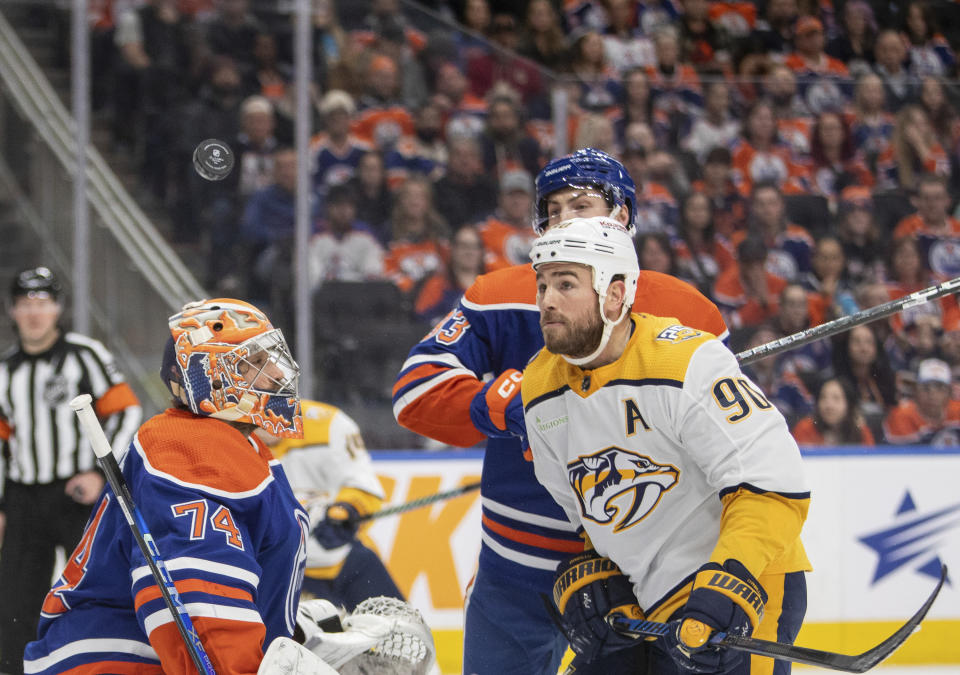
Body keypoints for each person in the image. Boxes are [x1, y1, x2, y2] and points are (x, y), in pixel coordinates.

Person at [393, 148, 727, 675]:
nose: (563, 219)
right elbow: (414, 394)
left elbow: (727, 449)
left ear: (622, 216)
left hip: (641, 571)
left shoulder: (689, 312)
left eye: (581, 204)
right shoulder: (502, 295)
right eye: (552, 210)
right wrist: (493, 405)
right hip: (517, 572)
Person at [522, 216, 810, 673]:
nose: (546, 301)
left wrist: (729, 581)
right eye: (541, 286)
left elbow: (773, 485)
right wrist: (596, 575)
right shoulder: (538, 387)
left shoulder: (686, 361)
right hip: (646, 598)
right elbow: (586, 518)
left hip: (745, 581)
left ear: (615, 294)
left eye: (565, 285)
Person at [22, 298, 311, 673]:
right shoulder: (193, 447)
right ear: (209, 376)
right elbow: (200, 599)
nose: (274, 372)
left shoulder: (237, 446)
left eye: (270, 357)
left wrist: (297, 632)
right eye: (254, 363)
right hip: (115, 662)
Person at [0, 267, 142, 675]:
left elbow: (127, 410)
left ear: (58, 308)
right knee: (15, 600)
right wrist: (3, 505)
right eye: (26, 304)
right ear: (12, 310)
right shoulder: (6, 371)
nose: (34, 313)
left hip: (76, 493)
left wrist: (102, 473)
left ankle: (102, 665)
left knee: (95, 586)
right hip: (25, 497)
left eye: (42, 303)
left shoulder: (85, 354)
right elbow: (5, 445)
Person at [255, 399, 403, 610]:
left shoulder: (328, 424)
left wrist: (345, 513)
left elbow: (362, 485)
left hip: (342, 560)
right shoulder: (226, 438)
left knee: (402, 628)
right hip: (281, 573)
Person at [884, 357, 960, 445]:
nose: (932, 394)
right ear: (916, 390)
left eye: (939, 387)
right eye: (926, 388)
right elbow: (901, 456)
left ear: (949, 392)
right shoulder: (901, 415)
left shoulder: (958, 410)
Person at [792, 377, 876, 445]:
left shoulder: (861, 432)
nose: (828, 405)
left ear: (849, 405)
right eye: (823, 397)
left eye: (836, 398)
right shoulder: (805, 428)